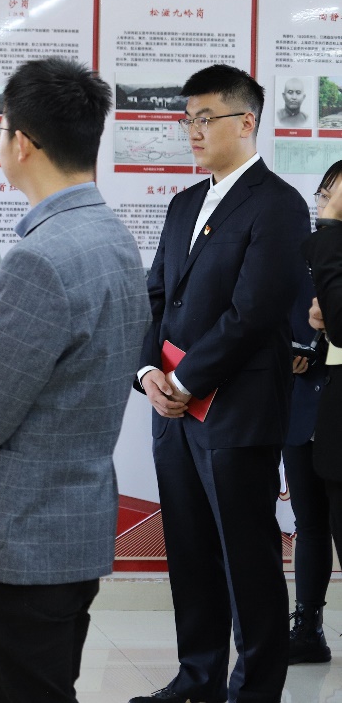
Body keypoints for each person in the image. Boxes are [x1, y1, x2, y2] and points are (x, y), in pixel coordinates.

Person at [0, 57, 150, 703]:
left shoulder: (39, 259)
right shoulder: (113, 239)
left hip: (12, 542)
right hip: (73, 529)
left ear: (21, 143)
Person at [131, 64, 310, 703]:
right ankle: (198, 678)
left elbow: (254, 312)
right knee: (189, 550)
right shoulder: (184, 204)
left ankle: (254, 690)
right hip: (174, 413)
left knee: (247, 559)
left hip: (236, 411)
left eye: (206, 118)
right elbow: (154, 297)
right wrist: (149, 373)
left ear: (246, 121)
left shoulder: (279, 204)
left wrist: (187, 377)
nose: (194, 131)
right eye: (188, 119)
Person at [281, 161, 342, 666]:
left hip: (337, 401)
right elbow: (278, 309)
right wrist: (290, 347)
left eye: (336, 197)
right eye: (323, 194)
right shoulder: (306, 249)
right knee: (309, 519)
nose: (326, 204)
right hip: (304, 401)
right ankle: (308, 627)